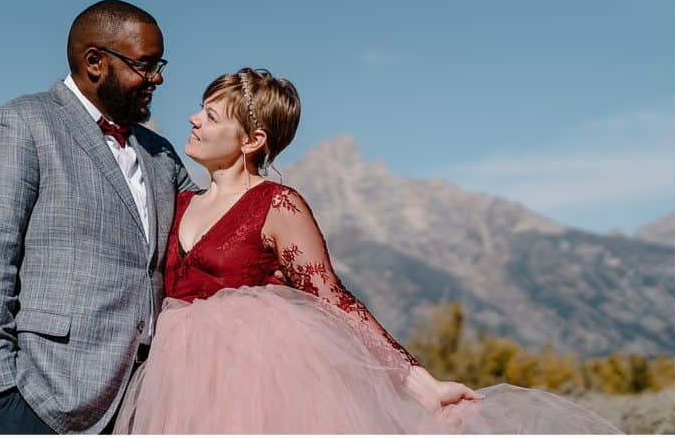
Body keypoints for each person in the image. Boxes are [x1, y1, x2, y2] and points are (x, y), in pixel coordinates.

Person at [114, 68, 622, 434]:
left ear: (252, 140)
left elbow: (334, 299)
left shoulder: (276, 204)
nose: (193, 119)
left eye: (210, 114)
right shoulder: (177, 201)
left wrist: (422, 385)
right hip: (176, 388)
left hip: (259, 386)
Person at [0, 0, 196, 434]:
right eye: (145, 65)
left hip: (145, 401)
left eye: (160, 65)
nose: (156, 78)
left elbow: (213, 227)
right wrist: (0, 387)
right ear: (95, 62)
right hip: (43, 395)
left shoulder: (161, 153)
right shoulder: (23, 123)